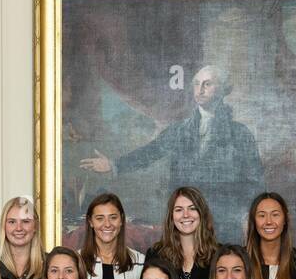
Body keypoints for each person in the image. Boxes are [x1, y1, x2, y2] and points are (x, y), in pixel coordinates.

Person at [78, 64, 265, 238]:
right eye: (197, 84)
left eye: (207, 84)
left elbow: (254, 180)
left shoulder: (239, 133)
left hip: (224, 225)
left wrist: (245, 214)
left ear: (223, 90)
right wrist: (113, 164)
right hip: (185, 225)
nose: (200, 90)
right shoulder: (180, 130)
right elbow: (150, 152)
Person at [143, 186, 217, 279]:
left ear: (202, 214)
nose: (186, 215)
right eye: (179, 210)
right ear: (171, 217)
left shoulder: (218, 255)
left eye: (192, 208)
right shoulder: (156, 255)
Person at [80, 192, 144, 279]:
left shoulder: (140, 262)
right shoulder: (77, 261)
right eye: (100, 218)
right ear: (90, 222)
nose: (107, 224)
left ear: (121, 220)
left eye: (113, 217)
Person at [246, 191, 296, 279]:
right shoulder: (242, 261)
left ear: (285, 219)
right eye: (262, 215)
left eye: (275, 215)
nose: (268, 221)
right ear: (254, 221)